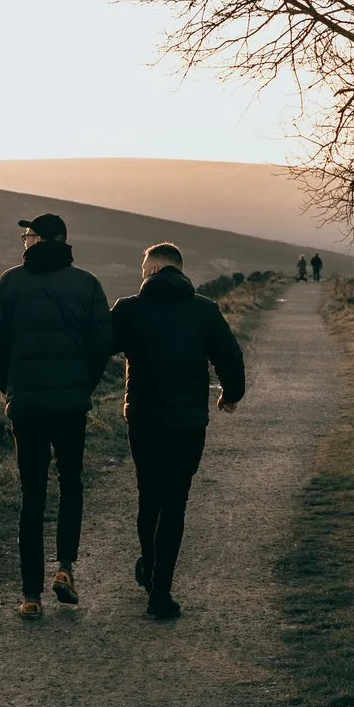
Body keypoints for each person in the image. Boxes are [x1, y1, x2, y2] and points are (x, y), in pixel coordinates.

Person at [0, 212, 112, 618]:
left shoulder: (9, 283)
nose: (25, 241)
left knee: (32, 496)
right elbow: (101, 343)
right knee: (71, 482)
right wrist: (82, 386)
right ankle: (66, 568)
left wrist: (11, 387)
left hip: (28, 405)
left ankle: (30, 596)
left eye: (29, 235)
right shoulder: (87, 284)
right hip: (71, 404)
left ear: (44, 240)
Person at [107, 241, 245, 620]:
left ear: (153, 270)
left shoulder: (129, 309)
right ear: (180, 271)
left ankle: (150, 574)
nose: (140, 273)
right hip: (187, 423)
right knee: (175, 502)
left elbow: (98, 346)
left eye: (143, 268)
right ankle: (160, 592)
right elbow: (230, 355)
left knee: (147, 495)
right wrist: (231, 394)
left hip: (143, 419)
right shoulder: (203, 310)